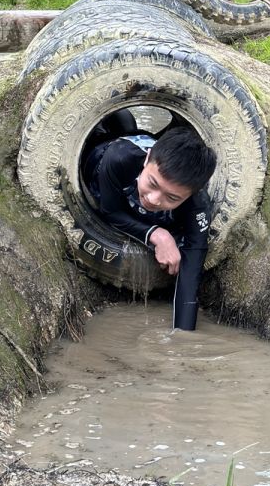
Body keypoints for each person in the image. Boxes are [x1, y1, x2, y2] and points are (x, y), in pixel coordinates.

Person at [82, 125, 216, 332]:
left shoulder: (197, 206)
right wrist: (156, 235)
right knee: (119, 123)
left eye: (172, 198)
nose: (153, 199)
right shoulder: (118, 158)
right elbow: (111, 211)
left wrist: (183, 338)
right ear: (147, 159)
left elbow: (191, 274)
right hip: (98, 159)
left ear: (191, 194)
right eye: (152, 183)